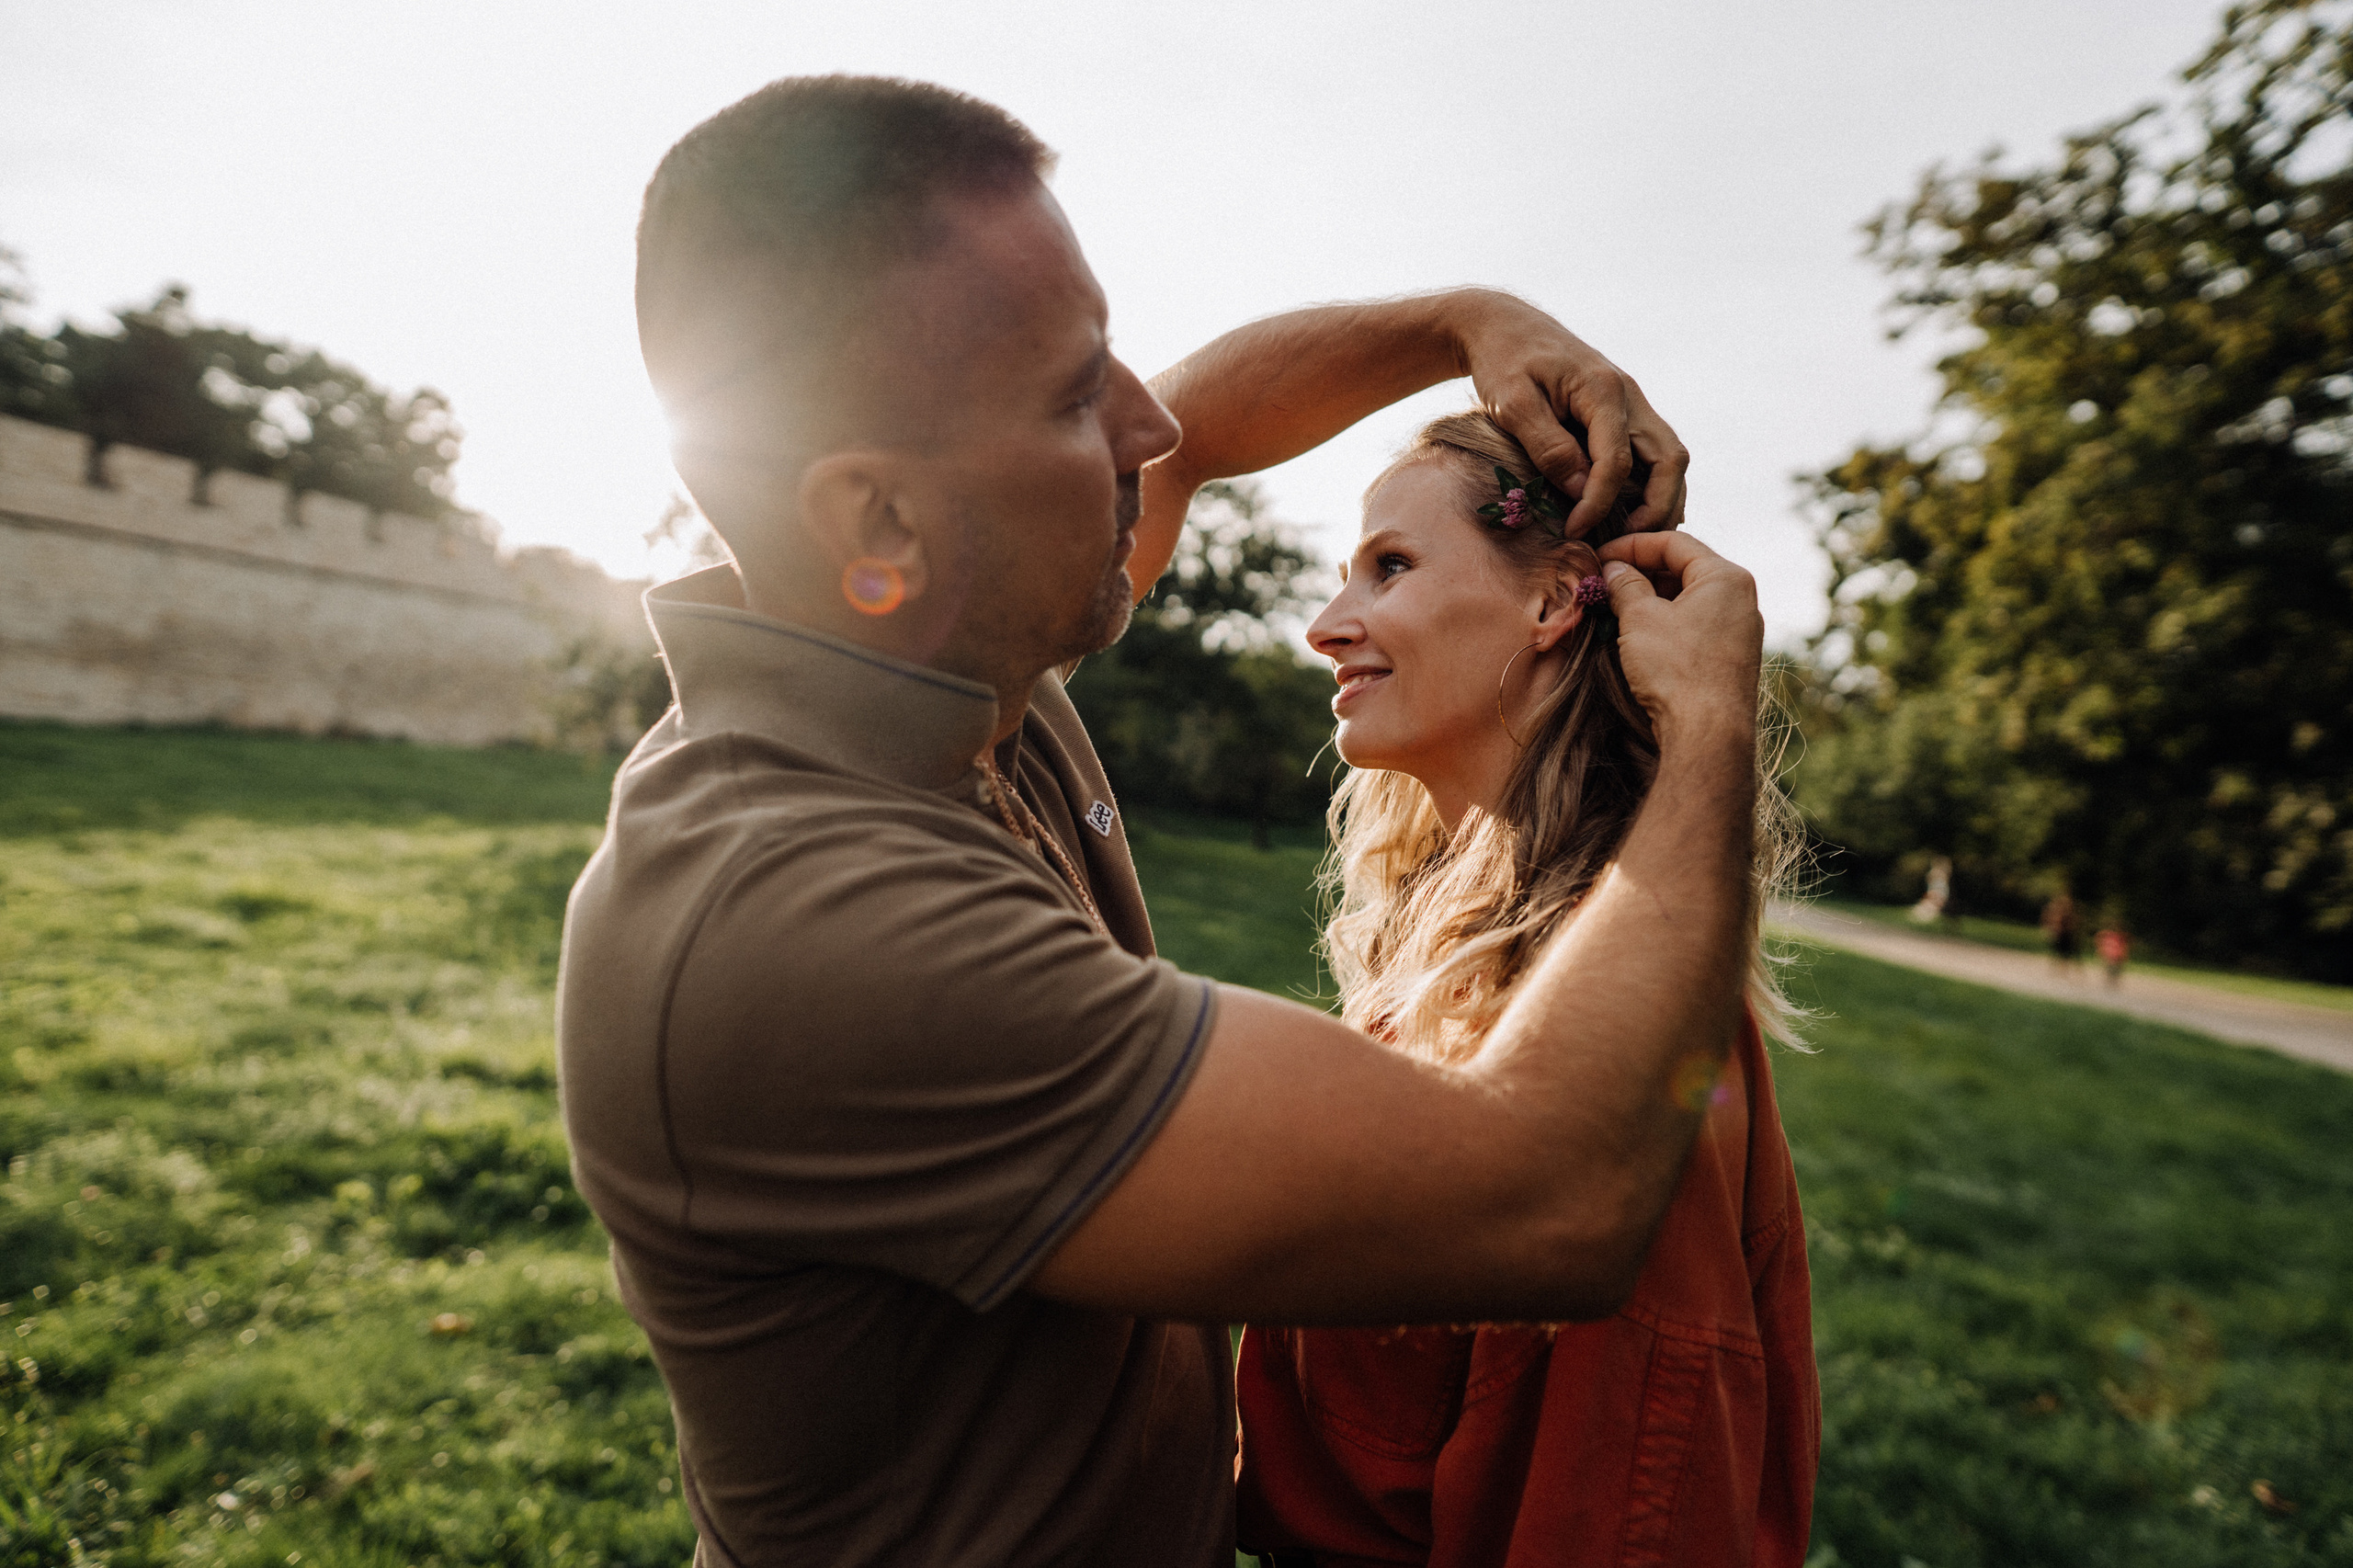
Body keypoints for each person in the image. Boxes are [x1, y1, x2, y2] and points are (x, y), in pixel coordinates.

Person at [560, 74, 1764, 1567]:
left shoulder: (943, 642)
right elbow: (1556, 1196)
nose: (1147, 425)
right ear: (877, 523)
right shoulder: (799, 919)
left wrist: (1467, 320)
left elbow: (1192, 437)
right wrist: (1706, 726)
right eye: (1073, 398)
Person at [1218, 412, 1817, 1566]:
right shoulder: (1447, 953)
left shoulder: (1604, 1014)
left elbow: (1624, 1508)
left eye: (1389, 566)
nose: (1323, 625)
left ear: (1553, 603)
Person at [2041, 892, 2082, 976]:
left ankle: (2065, 970)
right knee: (2060, 953)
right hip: (2061, 934)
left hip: (2067, 935)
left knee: (2067, 953)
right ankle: (2060, 970)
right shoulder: (2059, 913)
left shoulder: (2067, 914)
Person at [2097, 924, 2131, 988]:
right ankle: (2110, 983)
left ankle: (2112, 983)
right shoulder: (2112, 938)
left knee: (2115, 971)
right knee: (2111, 970)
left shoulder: (2118, 938)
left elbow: (2123, 948)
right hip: (2112, 956)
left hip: (2117, 956)